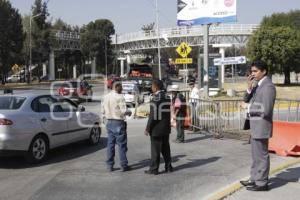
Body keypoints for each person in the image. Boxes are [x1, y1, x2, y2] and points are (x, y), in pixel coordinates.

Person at [240, 60, 276, 191]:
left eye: (255, 71)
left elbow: (266, 109)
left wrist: (248, 107)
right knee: (256, 156)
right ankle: (254, 179)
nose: (252, 73)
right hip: (256, 126)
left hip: (262, 126)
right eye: (252, 71)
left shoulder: (268, 87)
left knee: (261, 156)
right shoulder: (258, 85)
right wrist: (249, 87)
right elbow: (246, 99)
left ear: (264, 71)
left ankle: (261, 183)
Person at [144, 79, 173, 175]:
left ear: (156, 87)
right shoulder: (167, 97)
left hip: (156, 128)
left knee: (155, 150)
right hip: (165, 127)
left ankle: (154, 169)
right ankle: (168, 167)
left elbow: (153, 115)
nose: (151, 88)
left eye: (152, 86)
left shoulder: (156, 98)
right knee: (166, 149)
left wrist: (148, 128)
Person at [102, 82, 132, 172]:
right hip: (118, 122)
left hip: (109, 122)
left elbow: (102, 110)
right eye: (121, 87)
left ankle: (109, 166)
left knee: (110, 145)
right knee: (121, 145)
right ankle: (124, 165)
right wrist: (129, 112)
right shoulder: (120, 97)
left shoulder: (106, 97)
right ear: (117, 87)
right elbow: (123, 111)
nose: (122, 88)